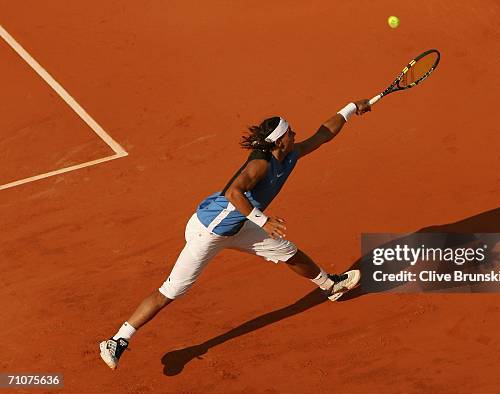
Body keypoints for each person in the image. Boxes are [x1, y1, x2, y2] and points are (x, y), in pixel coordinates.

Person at [99, 99, 372, 370]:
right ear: (278, 142)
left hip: (239, 225)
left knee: (287, 251)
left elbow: (322, 135)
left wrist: (350, 109)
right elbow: (234, 193)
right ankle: (117, 340)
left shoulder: (289, 155)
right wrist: (263, 222)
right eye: (289, 133)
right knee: (169, 292)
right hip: (209, 233)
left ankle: (330, 286)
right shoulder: (261, 165)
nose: (294, 135)